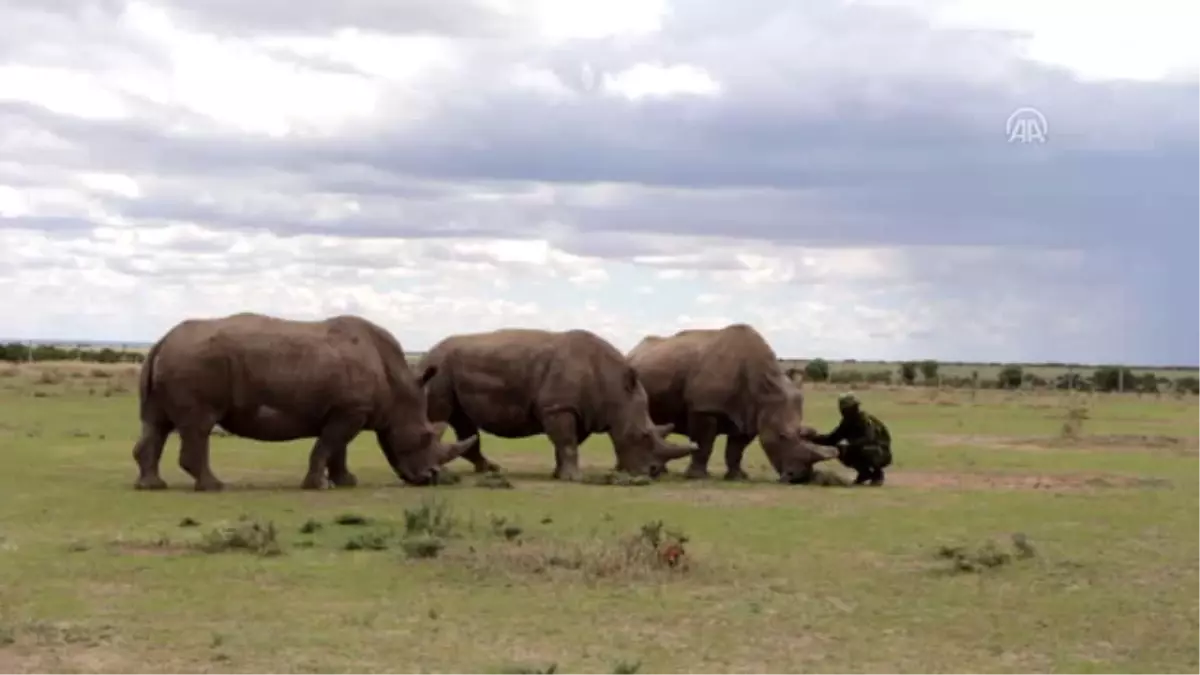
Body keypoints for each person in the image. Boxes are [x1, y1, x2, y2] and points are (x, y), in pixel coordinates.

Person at [808, 392, 892, 486]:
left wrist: (850, 444)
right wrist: (811, 438)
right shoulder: (848, 422)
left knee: (856, 449)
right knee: (840, 449)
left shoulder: (864, 420)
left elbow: (869, 438)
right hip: (871, 449)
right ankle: (865, 473)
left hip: (880, 452)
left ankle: (877, 474)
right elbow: (832, 439)